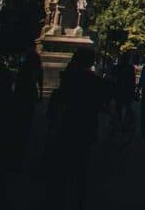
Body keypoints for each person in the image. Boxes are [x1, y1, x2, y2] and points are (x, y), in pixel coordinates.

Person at [46, 48, 110, 209]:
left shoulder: (68, 79)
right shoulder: (96, 82)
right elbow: (105, 105)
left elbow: (58, 103)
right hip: (86, 129)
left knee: (61, 170)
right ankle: (77, 202)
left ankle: (56, 201)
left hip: (67, 127)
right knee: (80, 170)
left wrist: (52, 125)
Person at [112, 53, 137, 137]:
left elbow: (113, 78)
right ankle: (125, 122)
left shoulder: (117, 67)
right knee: (127, 107)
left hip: (119, 90)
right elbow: (133, 81)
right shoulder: (130, 68)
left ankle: (119, 122)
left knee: (118, 107)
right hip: (128, 91)